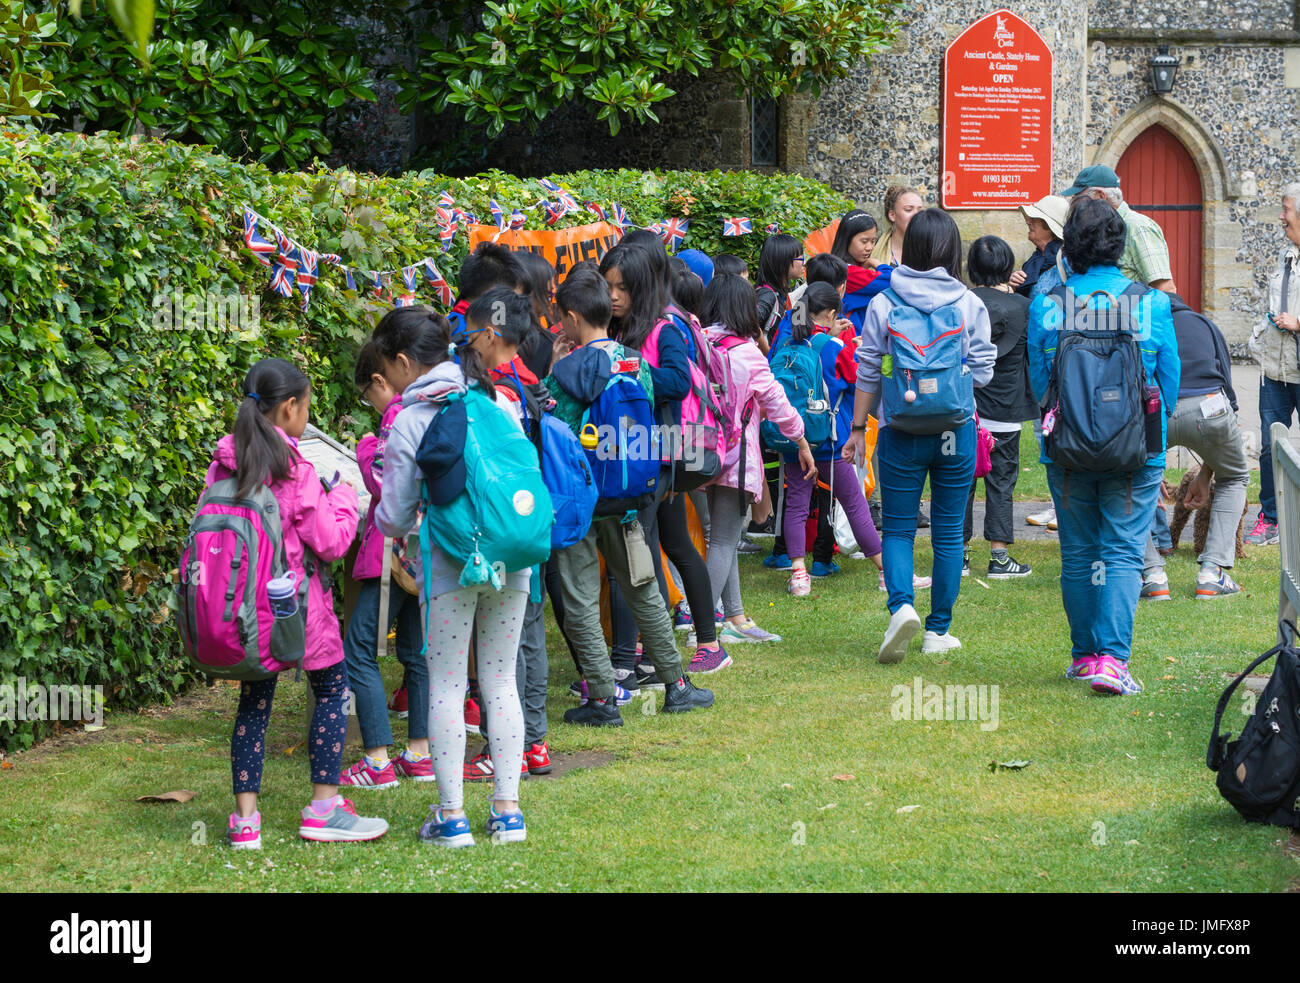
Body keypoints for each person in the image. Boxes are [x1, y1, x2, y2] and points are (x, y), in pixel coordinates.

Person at [211, 358, 387, 848]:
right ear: (289, 408)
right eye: (305, 407)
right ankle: (325, 809)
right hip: (297, 606)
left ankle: (245, 821)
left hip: (244, 610)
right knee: (331, 691)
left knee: (254, 704)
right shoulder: (294, 468)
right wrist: (345, 500)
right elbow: (330, 543)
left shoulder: (225, 461)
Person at [372, 306, 529, 847]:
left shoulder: (410, 418)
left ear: (400, 362)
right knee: (501, 679)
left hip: (449, 563)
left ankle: (452, 816)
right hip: (512, 558)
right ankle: (508, 813)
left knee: (446, 684)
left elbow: (392, 517)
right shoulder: (496, 398)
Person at [544, 268, 715, 718]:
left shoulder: (565, 372)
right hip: (630, 501)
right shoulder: (637, 364)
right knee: (643, 587)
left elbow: (553, 432)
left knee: (580, 597)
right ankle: (676, 685)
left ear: (574, 318)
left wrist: (551, 373)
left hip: (581, 505)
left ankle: (602, 696)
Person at [1026, 197, 1179, 696]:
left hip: (1066, 449)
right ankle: (1113, 662)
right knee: (1121, 551)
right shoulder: (1150, 303)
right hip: (1136, 452)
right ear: (1120, 245)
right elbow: (1169, 382)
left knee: (1078, 553)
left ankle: (1084, 656)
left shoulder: (1049, 303)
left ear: (1070, 246)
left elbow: (1038, 381)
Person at [847, 208, 996, 664]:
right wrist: (949, 385)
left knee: (897, 528)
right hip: (956, 431)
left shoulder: (884, 303)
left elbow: (868, 369)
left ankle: (901, 607)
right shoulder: (970, 303)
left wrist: (857, 428)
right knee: (950, 533)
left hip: (899, 429)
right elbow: (986, 371)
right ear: (953, 251)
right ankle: (938, 631)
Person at [599, 241, 727, 674]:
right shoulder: (617, 328)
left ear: (642, 287)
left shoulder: (662, 328)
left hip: (655, 458)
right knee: (666, 546)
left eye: (622, 288)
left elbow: (676, 380)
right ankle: (682, 650)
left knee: (633, 557)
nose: (613, 296)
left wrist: (625, 368)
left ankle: (631, 661)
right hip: (637, 456)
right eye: (608, 287)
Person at [453, 287, 557, 781]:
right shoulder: (519, 388)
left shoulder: (469, 392)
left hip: (482, 541)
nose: (513, 355)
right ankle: (531, 746)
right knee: (526, 640)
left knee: (494, 661)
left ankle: (502, 751)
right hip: (527, 532)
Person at [781, 282, 931, 598]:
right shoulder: (835, 347)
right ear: (833, 313)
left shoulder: (791, 344)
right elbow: (857, 377)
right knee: (854, 504)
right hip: (829, 440)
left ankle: (798, 574)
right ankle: (886, 572)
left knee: (796, 504)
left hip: (796, 438)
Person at [700, 273, 816, 646]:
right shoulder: (746, 352)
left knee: (722, 539)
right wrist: (801, 440)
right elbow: (778, 404)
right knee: (722, 543)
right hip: (735, 458)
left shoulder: (698, 343)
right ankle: (702, 631)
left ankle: (734, 617)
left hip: (697, 455)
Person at [338, 342, 431, 791]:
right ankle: (420, 753)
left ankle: (376, 759)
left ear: (379, 380)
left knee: (358, 646)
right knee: (416, 653)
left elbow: (385, 481)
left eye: (366, 393)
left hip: (391, 553)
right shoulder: (430, 404)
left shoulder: (396, 416)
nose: (369, 403)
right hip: (423, 553)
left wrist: (364, 448)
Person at [1141, 294, 1248, 598]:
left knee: (1129, 480)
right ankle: (1212, 573)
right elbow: (1227, 387)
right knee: (1234, 476)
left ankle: (1152, 573)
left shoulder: (1142, 321)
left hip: (1156, 410)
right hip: (1209, 407)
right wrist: (1207, 473)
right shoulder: (1204, 323)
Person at [962, 236, 1035, 579]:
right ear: (1008, 268)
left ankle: (958, 555)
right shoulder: (1024, 307)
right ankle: (1000, 557)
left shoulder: (962, 302)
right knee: (1002, 481)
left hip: (967, 407)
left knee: (960, 481)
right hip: (1007, 407)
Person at [1246, 181, 1300, 546]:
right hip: (1275, 370)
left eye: (1285, 209)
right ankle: (1270, 518)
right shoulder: (1285, 257)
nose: (1280, 216)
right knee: (1270, 446)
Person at [1057, 165, 1175, 293]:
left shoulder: (1138, 227)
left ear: (1100, 196)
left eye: (1078, 197)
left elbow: (1165, 288)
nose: (1074, 203)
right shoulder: (1099, 228)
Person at [1011, 196, 1067, 299]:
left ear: (1049, 227)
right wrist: (1013, 287)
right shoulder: (1036, 259)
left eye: (1035, 219)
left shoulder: (1066, 262)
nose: (1028, 221)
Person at [755, 233, 805, 346]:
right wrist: (767, 353)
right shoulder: (767, 295)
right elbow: (750, 324)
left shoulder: (779, 293)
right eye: (801, 257)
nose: (804, 263)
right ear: (783, 261)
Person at [869, 186, 925, 268]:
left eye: (920, 211)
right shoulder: (871, 251)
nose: (916, 215)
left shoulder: (933, 250)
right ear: (892, 215)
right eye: (908, 210)